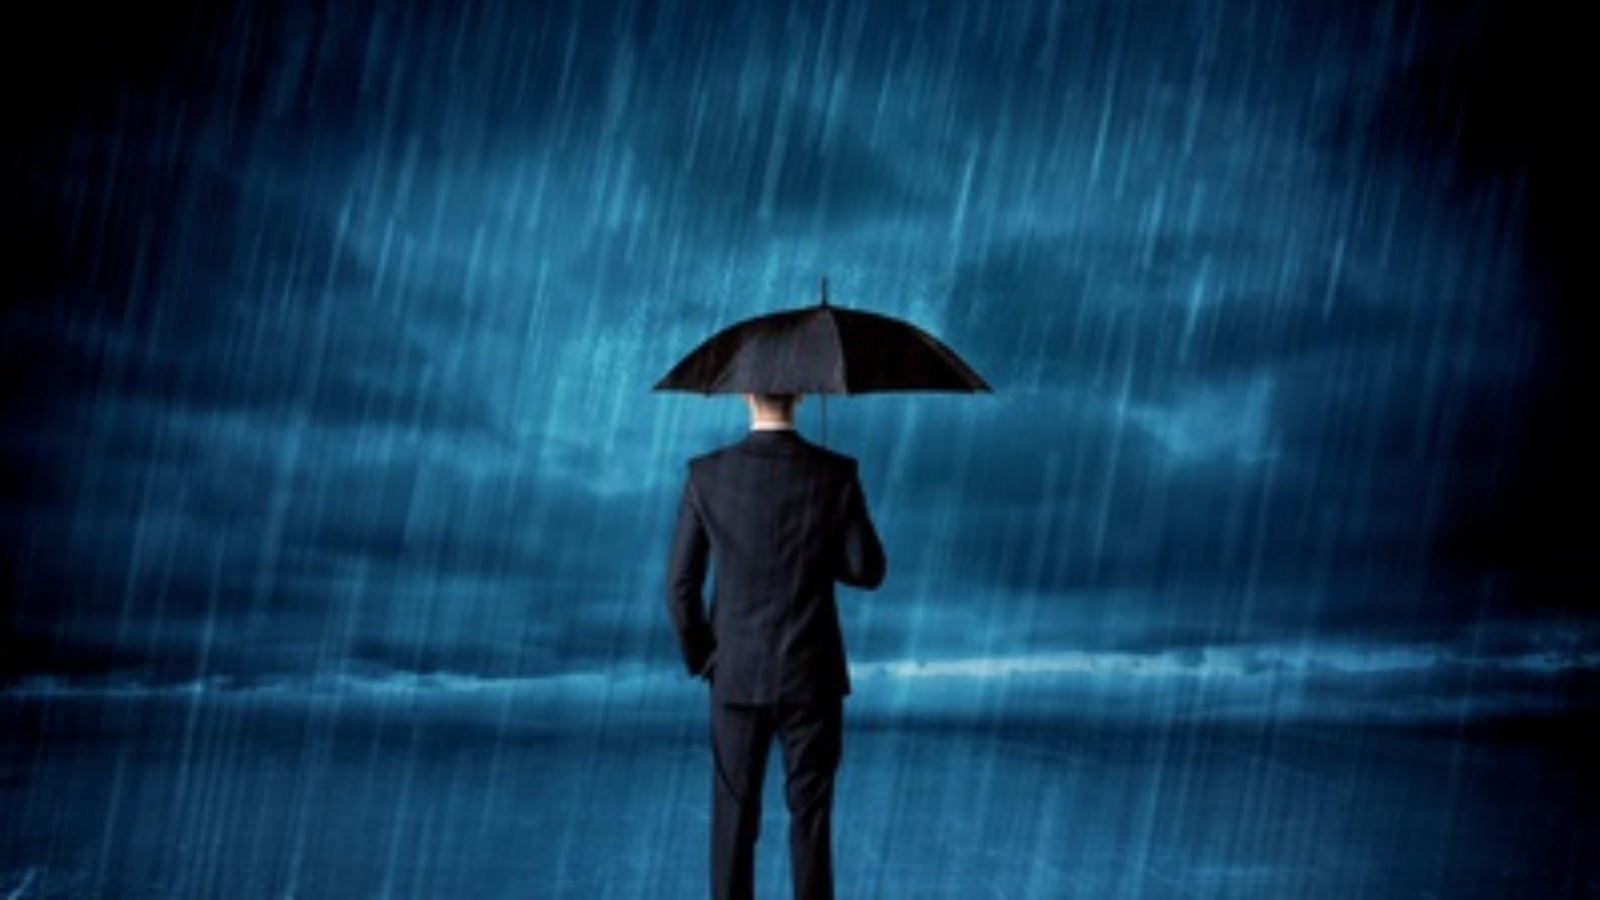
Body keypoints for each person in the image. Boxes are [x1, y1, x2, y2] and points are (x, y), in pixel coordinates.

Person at [666, 392, 887, 900]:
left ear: (745, 393)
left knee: (733, 823)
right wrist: (825, 530)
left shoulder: (706, 475)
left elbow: (679, 590)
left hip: (735, 675)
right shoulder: (836, 473)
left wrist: (704, 658)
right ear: (804, 393)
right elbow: (866, 570)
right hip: (813, 676)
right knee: (810, 821)